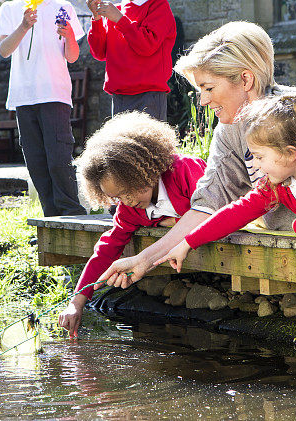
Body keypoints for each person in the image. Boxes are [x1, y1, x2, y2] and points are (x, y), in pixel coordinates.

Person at [98, 21, 296, 288]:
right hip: (287, 246)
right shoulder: (228, 130)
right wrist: (144, 259)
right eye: (200, 90)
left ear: (246, 79)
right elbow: (208, 202)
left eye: (208, 88)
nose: (203, 101)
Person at [154, 95, 296, 272]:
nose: (257, 165)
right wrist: (187, 243)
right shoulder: (277, 183)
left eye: (260, 157)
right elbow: (237, 212)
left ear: (289, 154)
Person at [57, 112, 206, 337]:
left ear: (143, 170)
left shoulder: (185, 170)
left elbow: (211, 210)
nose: (125, 201)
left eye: (127, 191)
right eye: (117, 197)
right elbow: (107, 248)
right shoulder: (130, 209)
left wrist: (174, 222)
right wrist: (77, 302)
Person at [0, 0, 86, 217]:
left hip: (55, 93)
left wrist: (70, 35)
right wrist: (24, 25)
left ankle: (72, 212)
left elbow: (72, 56)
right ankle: (51, 215)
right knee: (35, 159)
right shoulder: (11, 9)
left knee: (59, 156)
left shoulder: (63, 7)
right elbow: (4, 50)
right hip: (24, 96)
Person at [86, 0, 183, 121]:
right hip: (119, 95)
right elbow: (99, 53)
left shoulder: (158, 7)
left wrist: (119, 20)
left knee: (149, 151)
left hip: (149, 95)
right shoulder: (116, 10)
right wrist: (96, 18)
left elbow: (146, 45)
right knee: (122, 151)